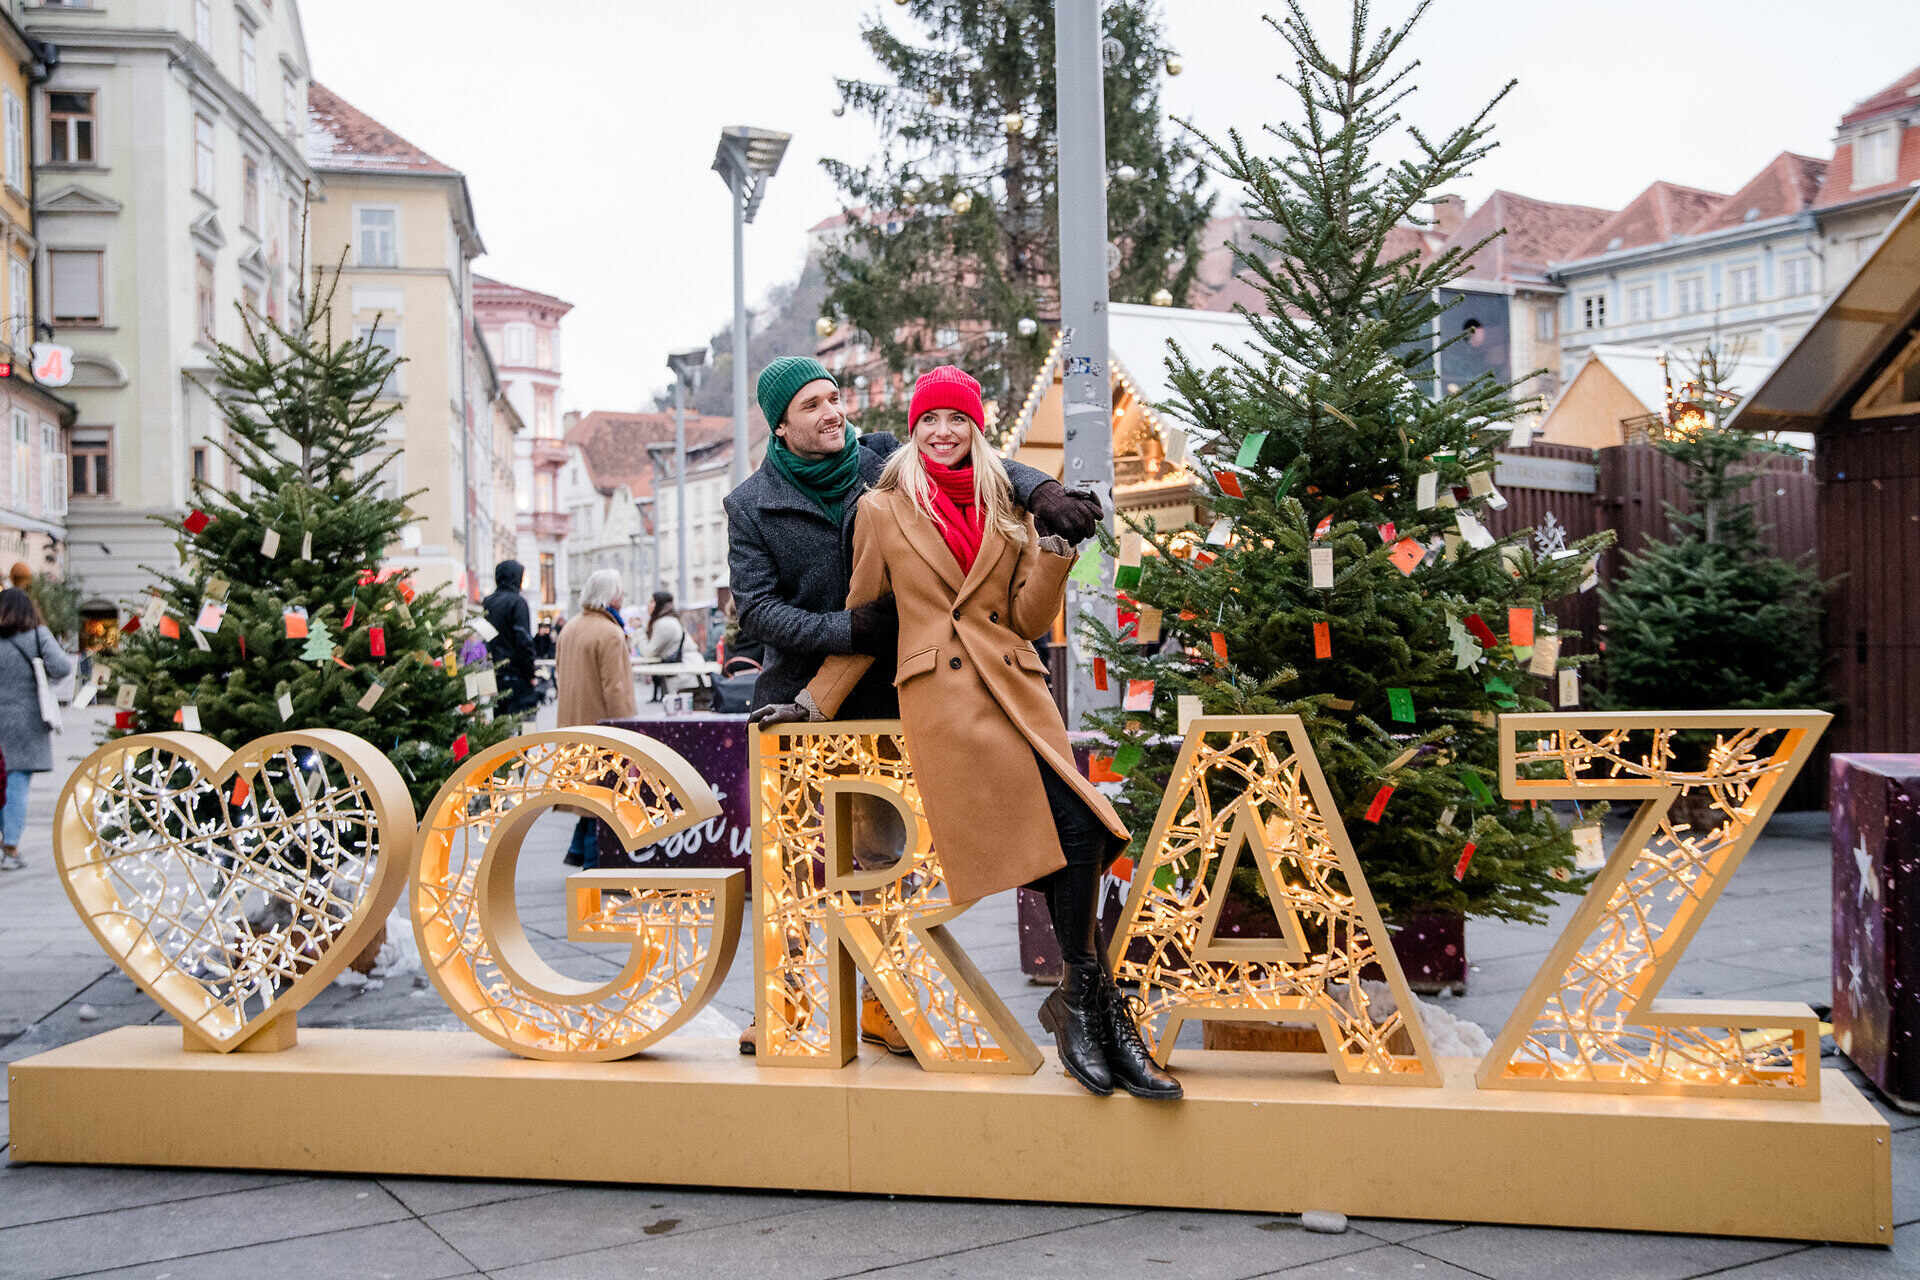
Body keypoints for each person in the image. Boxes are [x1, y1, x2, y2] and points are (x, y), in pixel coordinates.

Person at [756, 366, 1181, 1101]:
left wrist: (1053, 551)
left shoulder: (1006, 507)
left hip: (1016, 690)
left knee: (1076, 833)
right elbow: (864, 623)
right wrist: (812, 704)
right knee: (1075, 827)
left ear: (977, 430)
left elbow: (1021, 620)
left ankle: (1087, 1004)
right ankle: (1098, 1011)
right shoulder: (881, 510)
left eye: (958, 420)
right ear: (913, 431)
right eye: (930, 422)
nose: (943, 433)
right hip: (947, 705)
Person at [555, 569, 639, 868]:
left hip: (573, 723)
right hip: (602, 723)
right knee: (603, 793)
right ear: (609, 595)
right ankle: (594, 861)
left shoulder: (570, 628)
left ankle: (577, 849)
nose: (623, 597)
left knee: (586, 791)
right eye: (620, 591)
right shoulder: (610, 633)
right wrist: (629, 730)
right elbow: (616, 688)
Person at [0, 587, 72, 871]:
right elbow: (63, 667)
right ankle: (11, 849)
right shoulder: (37, 635)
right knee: (16, 784)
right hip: (26, 721)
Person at [482, 560, 539, 716]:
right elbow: (523, 640)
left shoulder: (488, 602)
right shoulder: (518, 602)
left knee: (499, 726)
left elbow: (486, 638)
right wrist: (531, 673)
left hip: (497, 674)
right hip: (518, 676)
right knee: (526, 727)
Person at [637, 590, 694, 702]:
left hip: (684, 675)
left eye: (652, 601)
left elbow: (648, 652)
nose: (648, 605)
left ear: (659, 604)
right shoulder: (669, 620)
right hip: (686, 673)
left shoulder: (664, 624)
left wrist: (638, 631)